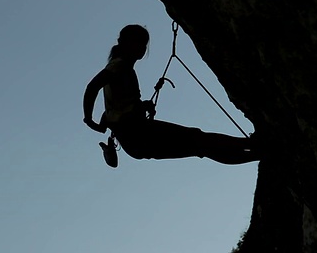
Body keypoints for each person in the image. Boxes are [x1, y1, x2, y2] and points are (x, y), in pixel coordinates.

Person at [83, 24, 259, 165]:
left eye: (143, 44)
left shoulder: (120, 68)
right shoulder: (119, 66)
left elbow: (116, 108)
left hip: (134, 139)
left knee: (201, 146)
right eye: (138, 42)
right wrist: (88, 119)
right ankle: (252, 146)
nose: (142, 48)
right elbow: (92, 87)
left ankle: (257, 152)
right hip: (138, 134)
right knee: (198, 140)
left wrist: (141, 106)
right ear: (124, 42)